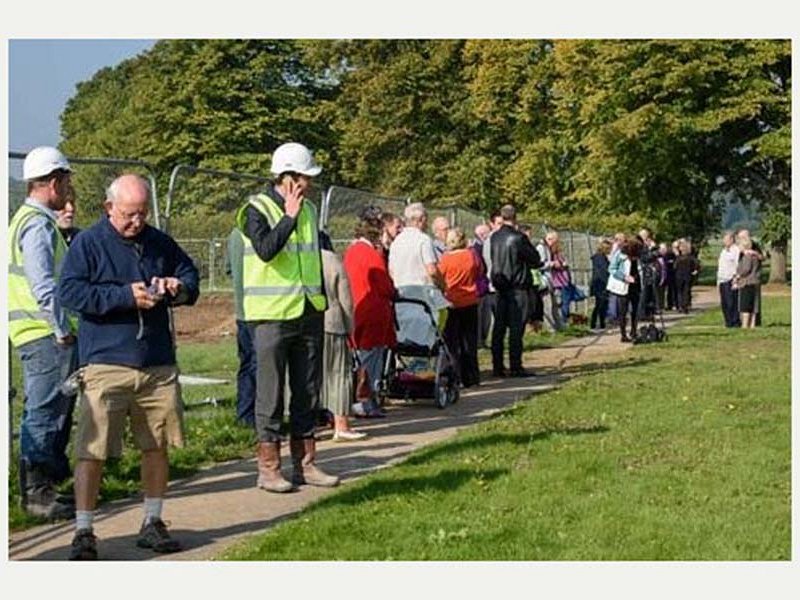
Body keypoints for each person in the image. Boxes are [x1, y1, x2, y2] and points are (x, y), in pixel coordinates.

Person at [58, 174, 200, 560]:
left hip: (155, 362)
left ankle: (152, 520)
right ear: (108, 208)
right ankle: (84, 529)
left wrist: (176, 287)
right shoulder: (88, 243)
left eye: (142, 214)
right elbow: (69, 292)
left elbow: (191, 276)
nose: (136, 222)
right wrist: (124, 296)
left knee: (156, 445)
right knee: (92, 448)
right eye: (128, 215)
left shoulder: (159, 242)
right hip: (106, 362)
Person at [237, 142, 339, 495]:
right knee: (271, 395)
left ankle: (306, 464)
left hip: (308, 311)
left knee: (307, 392)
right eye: (303, 177)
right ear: (286, 177)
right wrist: (289, 217)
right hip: (271, 316)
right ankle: (269, 468)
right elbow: (266, 250)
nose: (308, 184)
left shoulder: (309, 210)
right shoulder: (255, 208)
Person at [8, 146, 79, 521]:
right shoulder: (37, 223)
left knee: (47, 408)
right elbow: (43, 284)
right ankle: (36, 494)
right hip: (42, 332)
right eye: (66, 182)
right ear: (53, 182)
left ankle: (44, 486)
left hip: (31, 329)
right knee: (43, 410)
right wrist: (61, 328)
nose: (68, 190)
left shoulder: (23, 219)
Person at [343, 206, 397, 418]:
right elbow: (384, 286)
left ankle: (360, 400)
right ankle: (367, 401)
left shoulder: (351, 252)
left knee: (359, 359)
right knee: (371, 361)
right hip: (374, 312)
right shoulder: (371, 255)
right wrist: (394, 291)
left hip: (356, 309)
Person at [489, 204, 542, 377]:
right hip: (517, 286)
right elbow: (535, 259)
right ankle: (515, 366)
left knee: (499, 328)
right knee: (516, 328)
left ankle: (497, 366)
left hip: (500, 286)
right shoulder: (518, 238)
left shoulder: (494, 237)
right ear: (515, 217)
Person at [320, 247, 366, 440]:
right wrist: (349, 327)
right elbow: (345, 297)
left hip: (301, 323)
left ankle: (305, 428)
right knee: (338, 374)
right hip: (331, 322)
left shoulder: (290, 254)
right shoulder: (331, 259)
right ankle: (341, 425)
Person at [438, 227, 481, 388]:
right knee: (470, 340)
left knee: (452, 342)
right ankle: (472, 376)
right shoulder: (471, 255)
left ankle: (455, 376)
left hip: (452, 302)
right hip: (470, 300)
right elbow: (479, 272)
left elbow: (439, 276)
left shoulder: (446, 259)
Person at [226, 227, 256, 427]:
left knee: (246, 365)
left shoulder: (234, 234)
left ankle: (245, 415)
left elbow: (229, 269)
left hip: (242, 311)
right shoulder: (259, 232)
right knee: (259, 367)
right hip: (261, 312)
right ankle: (258, 418)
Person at [607, 238, 641, 342]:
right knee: (623, 310)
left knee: (635, 310)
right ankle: (623, 334)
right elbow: (612, 268)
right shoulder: (620, 255)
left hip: (635, 284)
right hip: (624, 285)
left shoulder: (637, 256)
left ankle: (634, 331)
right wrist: (624, 277)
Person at [479, 211, 503, 347]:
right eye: (498, 223)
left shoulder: (501, 238)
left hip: (501, 284)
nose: (501, 227)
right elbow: (491, 263)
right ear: (492, 224)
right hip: (494, 284)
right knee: (497, 319)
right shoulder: (491, 240)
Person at [536, 231, 565, 332]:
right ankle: (550, 328)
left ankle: (559, 326)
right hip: (544, 280)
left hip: (550, 280)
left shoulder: (547, 248)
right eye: (555, 241)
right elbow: (540, 264)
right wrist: (552, 264)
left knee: (554, 304)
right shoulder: (541, 248)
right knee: (547, 305)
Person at [732, 233, 762, 329]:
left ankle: (745, 325)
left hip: (747, 282)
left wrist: (737, 276)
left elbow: (746, 269)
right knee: (753, 306)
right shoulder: (755, 255)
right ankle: (752, 325)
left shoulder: (747, 256)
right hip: (755, 281)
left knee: (745, 306)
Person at [716, 232, 742, 328]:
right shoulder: (723, 251)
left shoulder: (735, 250)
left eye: (726, 239)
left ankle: (734, 321)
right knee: (724, 303)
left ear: (731, 240)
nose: (724, 241)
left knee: (731, 302)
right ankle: (728, 321)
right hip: (722, 279)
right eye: (724, 240)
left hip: (730, 279)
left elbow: (737, 264)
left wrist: (736, 277)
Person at [590, 239, 612, 330]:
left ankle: (601, 323)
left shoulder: (602, 257)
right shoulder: (599, 258)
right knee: (600, 304)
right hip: (600, 284)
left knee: (602, 304)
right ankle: (594, 323)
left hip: (601, 284)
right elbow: (603, 271)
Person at [674, 239, 700, 314]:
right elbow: (697, 264)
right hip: (687, 276)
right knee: (685, 291)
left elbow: (674, 266)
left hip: (679, 276)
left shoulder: (679, 258)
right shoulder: (690, 257)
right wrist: (695, 270)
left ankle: (680, 306)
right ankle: (684, 306)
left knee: (680, 292)